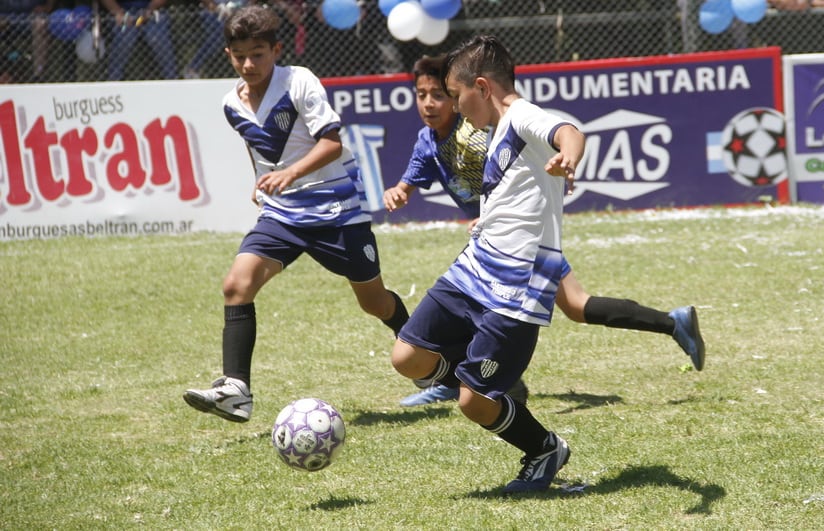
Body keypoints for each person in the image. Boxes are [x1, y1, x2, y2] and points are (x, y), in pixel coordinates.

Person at [386, 54, 706, 407]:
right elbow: (411, 181)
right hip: (497, 243)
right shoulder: (428, 142)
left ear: (463, 95)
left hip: (522, 243)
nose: (430, 104)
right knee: (574, 307)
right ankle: (672, 323)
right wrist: (399, 191)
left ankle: (477, 380)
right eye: (422, 94)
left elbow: (549, 144)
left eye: (442, 94)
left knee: (555, 305)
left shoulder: (479, 132)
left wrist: (561, 160)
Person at [183, 4, 409, 423]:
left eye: (258, 53)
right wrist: (263, 179)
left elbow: (331, 143)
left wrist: (287, 173)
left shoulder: (298, 80)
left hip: (337, 211)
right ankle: (236, 390)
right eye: (240, 55)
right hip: (283, 214)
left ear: (276, 50)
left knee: (374, 302)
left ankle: (426, 356)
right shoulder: (230, 103)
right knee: (236, 284)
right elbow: (261, 150)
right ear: (228, 54)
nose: (249, 63)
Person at [391, 34, 585, 494]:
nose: (455, 108)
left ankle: (543, 448)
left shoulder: (521, 116)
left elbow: (569, 132)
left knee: (473, 404)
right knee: (407, 356)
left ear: (482, 86)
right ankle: (479, 379)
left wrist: (569, 157)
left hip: (518, 285)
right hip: (475, 267)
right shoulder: (493, 128)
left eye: (457, 97)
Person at [99, 0, 179, 80]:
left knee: (158, 38)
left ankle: (172, 79)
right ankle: (114, 82)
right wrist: (118, 12)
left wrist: (150, 9)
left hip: (151, 12)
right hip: (124, 13)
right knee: (124, 40)